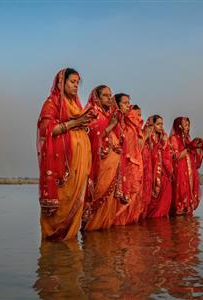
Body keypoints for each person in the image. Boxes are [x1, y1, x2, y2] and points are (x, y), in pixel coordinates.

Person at [37, 68, 95, 241]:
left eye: (78, 83)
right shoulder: (52, 103)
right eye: (72, 82)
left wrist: (83, 125)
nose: (76, 86)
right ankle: (53, 243)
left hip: (79, 164)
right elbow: (47, 130)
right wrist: (75, 123)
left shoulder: (76, 105)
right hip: (63, 166)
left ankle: (68, 250)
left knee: (75, 203)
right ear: (62, 83)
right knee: (63, 202)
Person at [81, 85, 125, 231]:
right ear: (97, 97)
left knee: (109, 200)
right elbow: (91, 136)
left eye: (110, 95)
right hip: (99, 164)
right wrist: (111, 125)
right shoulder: (92, 113)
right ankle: (91, 230)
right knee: (98, 195)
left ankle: (104, 234)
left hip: (111, 165)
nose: (109, 98)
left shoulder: (108, 114)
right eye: (105, 95)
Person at [113, 94, 144, 225]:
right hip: (119, 165)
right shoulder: (115, 121)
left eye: (128, 102)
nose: (128, 106)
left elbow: (137, 145)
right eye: (125, 103)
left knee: (132, 195)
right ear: (117, 105)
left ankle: (126, 225)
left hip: (132, 165)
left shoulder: (129, 123)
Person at [169, 117, 203, 216]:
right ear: (179, 126)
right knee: (181, 196)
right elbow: (175, 157)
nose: (188, 127)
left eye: (188, 125)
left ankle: (187, 226)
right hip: (180, 172)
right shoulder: (173, 139)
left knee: (189, 198)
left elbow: (192, 154)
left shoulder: (187, 139)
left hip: (189, 172)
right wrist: (188, 149)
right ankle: (179, 226)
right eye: (186, 125)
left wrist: (198, 146)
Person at [145, 115, 173, 218]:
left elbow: (168, 154)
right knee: (154, 201)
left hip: (164, 172)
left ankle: (162, 226)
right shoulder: (149, 137)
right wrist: (163, 144)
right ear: (152, 125)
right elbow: (150, 154)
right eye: (158, 124)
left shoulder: (163, 136)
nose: (161, 126)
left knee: (165, 199)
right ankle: (153, 222)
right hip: (153, 172)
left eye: (162, 124)